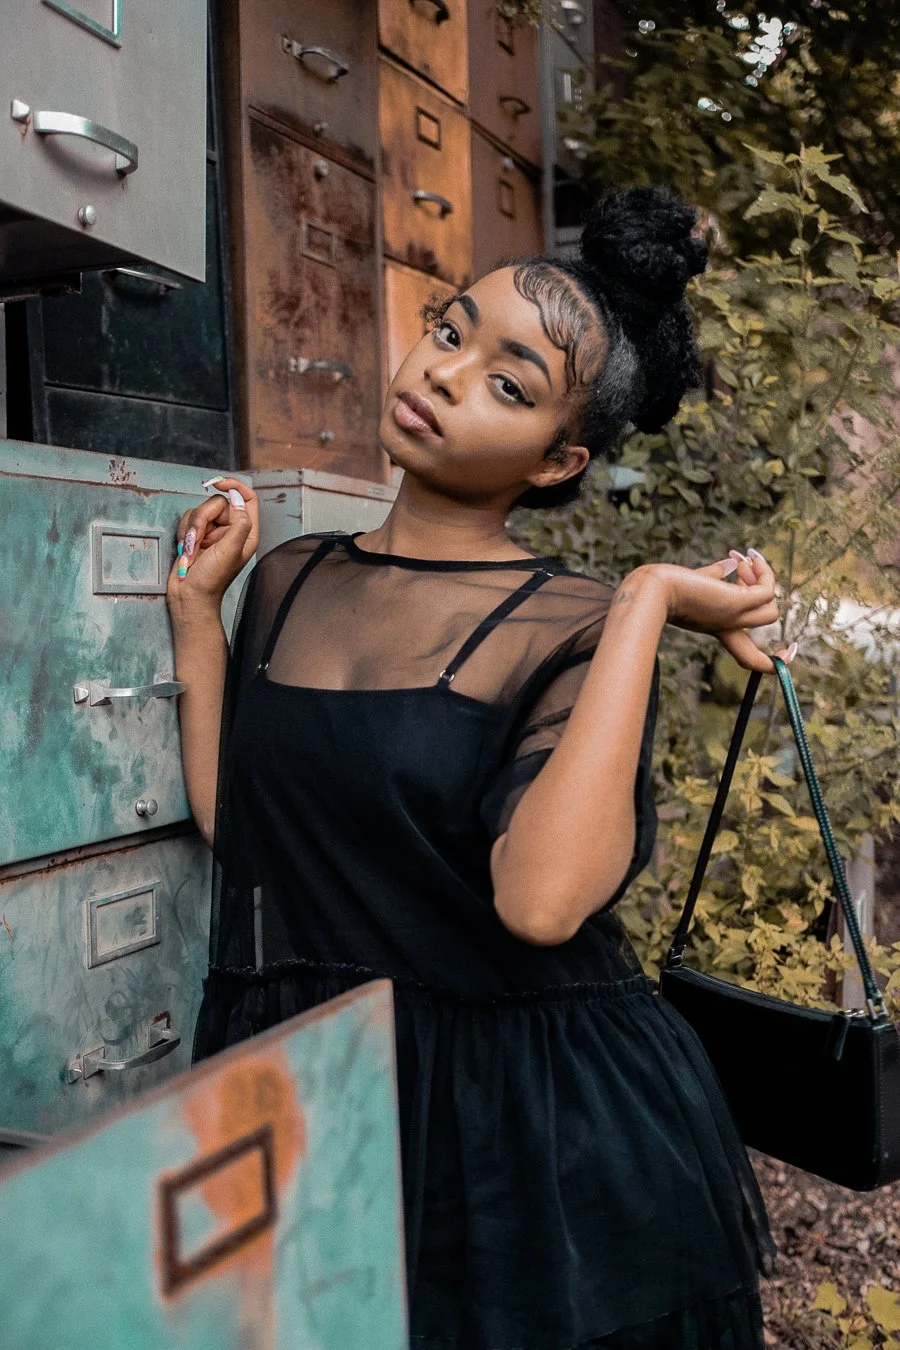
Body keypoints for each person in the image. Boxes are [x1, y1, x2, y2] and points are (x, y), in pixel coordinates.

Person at [167, 185, 788, 1349]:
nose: (446, 373)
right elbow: (237, 825)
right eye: (453, 330)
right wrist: (200, 616)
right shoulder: (292, 577)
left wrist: (647, 598)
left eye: (508, 383)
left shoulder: (569, 625)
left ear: (559, 462)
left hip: (526, 1123)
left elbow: (545, 903)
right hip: (311, 1087)